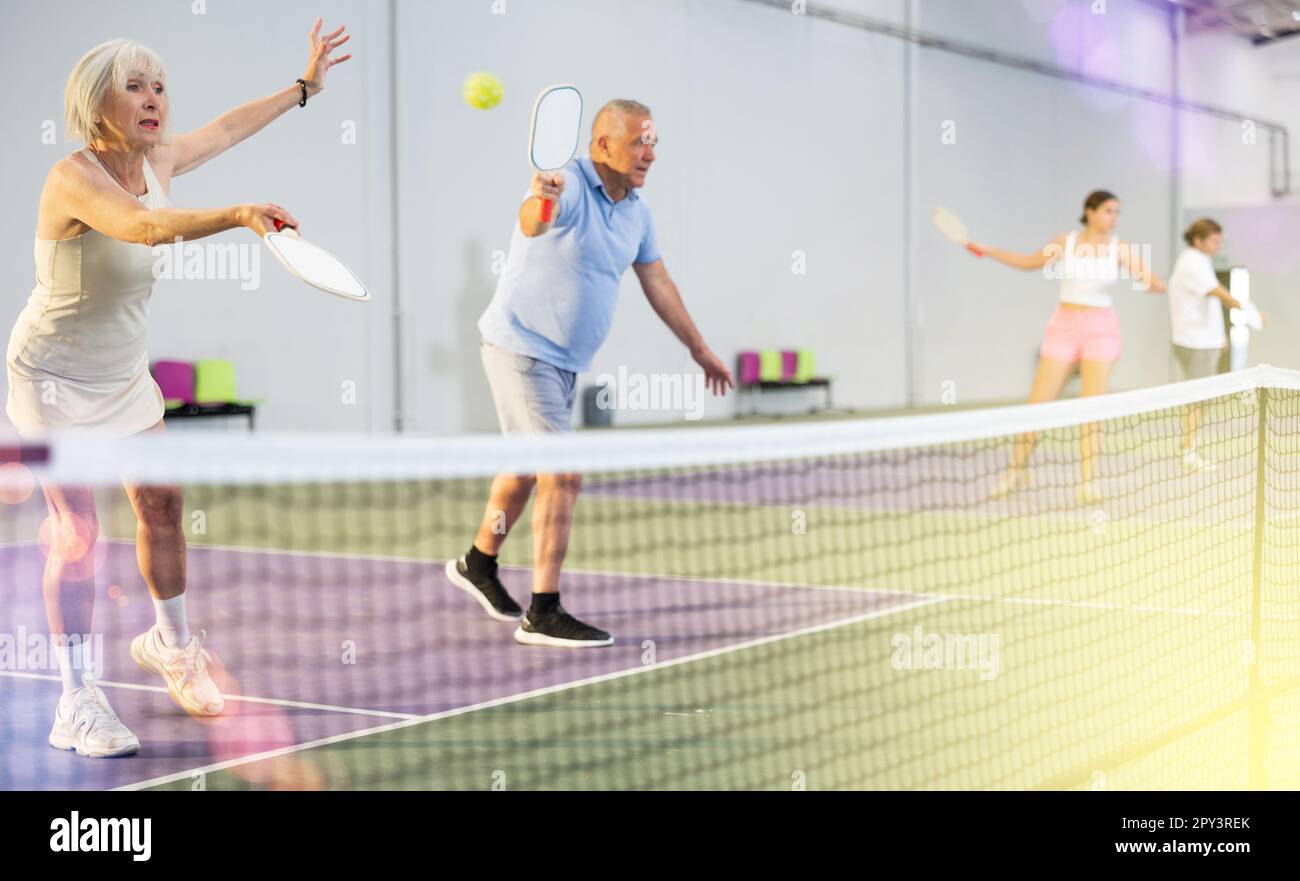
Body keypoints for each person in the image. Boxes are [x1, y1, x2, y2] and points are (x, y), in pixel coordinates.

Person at [6, 24, 351, 757]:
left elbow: (226, 129)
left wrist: (303, 88)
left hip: (123, 376)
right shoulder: (72, 176)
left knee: (162, 504)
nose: (153, 98)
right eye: (134, 86)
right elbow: (143, 226)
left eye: (158, 85)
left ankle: (172, 643)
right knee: (77, 535)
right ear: (95, 104)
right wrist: (238, 215)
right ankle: (75, 698)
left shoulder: (158, 157)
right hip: (53, 380)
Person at [445, 99, 733, 648]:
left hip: (563, 362)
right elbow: (533, 222)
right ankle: (543, 611)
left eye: (653, 143)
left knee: (526, 467)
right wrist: (542, 201)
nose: (649, 154)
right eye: (638, 143)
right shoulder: (568, 182)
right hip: (520, 347)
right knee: (564, 471)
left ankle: (478, 564)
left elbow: (658, 282)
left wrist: (698, 349)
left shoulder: (637, 212)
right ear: (602, 145)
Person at [966, 191, 1166, 503]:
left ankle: (1088, 482)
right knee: (1038, 405)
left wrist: (1155, 283)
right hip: (1063, 327)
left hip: (1101, 329)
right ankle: (1016, 470)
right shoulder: (1065, 242)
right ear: (1089, 212)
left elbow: (1147, 278)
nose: (1113, 218)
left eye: (1117, 212)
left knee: (1091, 408)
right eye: (1108, 211)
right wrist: (990, 250)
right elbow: (1029, 262)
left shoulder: (1120, 248)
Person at [1168, 217, 1264, 471]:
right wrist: (1251, 313)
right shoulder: (1192, 262)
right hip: (1195, 343)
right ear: (1198, 240)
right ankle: (1189, 453)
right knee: (1197, 400)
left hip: (1204, 341)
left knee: (1200, 399)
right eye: (1213, 241)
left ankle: (1190, 449)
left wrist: (1219, 336)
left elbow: (1209, 299)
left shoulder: (1200, 261)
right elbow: (1219, 294)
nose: (1218, 246)